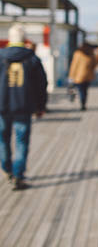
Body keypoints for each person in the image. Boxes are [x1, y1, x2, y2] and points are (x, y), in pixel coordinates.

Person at [0, 23, 47, 190]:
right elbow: (41, 84)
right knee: (21, 141)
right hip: (24, 107)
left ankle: (7, 169)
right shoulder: (32, 59)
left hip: (2, 107)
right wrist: (41, 106)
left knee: (2, 140)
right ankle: (18, 175)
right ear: (24, 39)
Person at [68, 42, 97, 111]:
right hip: (88, 76)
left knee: (79, 90)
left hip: (79, 76)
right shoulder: (91, 54)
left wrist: (71, 75)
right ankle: (83, 103)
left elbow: (74, 65)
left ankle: (80, 102)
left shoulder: (78, 54)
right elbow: (95, 64)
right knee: (85, 90)